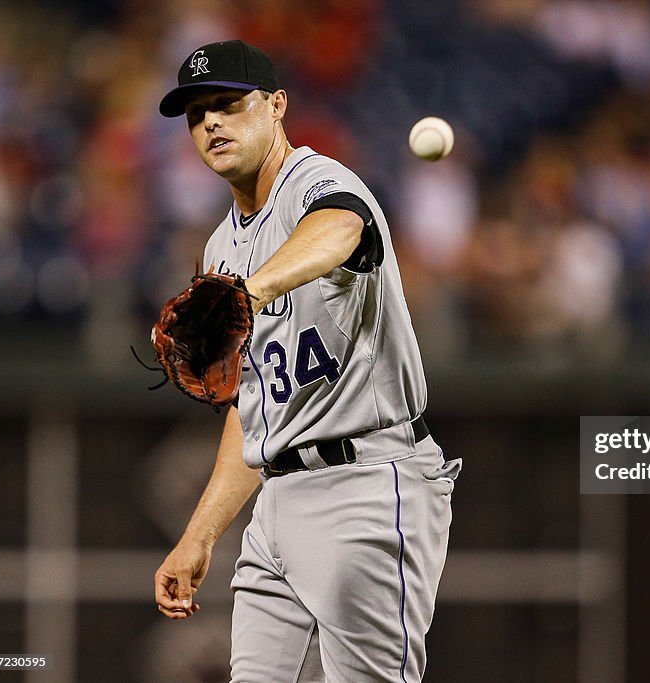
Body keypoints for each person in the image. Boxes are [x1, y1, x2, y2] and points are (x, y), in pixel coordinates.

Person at [151, 40, 460, 682]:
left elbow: (341, 227)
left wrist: (248, 291)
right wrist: (201, 533)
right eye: (197, 112)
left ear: (276, 105)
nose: (211, 122)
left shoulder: (317, 183)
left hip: (369, 484)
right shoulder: (220, 245)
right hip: (276, 504)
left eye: (229, 104)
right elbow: (255, 410)